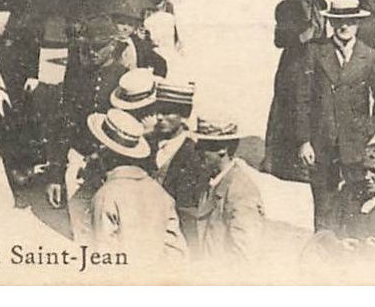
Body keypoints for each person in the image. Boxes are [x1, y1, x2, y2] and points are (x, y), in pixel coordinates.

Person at [297, 0, 375, 232]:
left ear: (358, 23)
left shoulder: (368, 57)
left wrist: (373, 134)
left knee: (356, 202)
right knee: (323, 204)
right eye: (338, 21)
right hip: (322, 142)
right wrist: (305, 141)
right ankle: (323, 249)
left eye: (349, 21)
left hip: (357, 145)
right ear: (330, 23)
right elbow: (303, 99)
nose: (344, 27)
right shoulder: (317, 52)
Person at [44, 17, 130, 240]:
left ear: (112, 45)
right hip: (78, 160)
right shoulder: (76, 77)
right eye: (87, 47)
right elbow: (63, 125)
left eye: (98, 47)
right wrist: (55, 174)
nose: (91, 53)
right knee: (80, 229)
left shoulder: (124, 79)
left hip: (110, 167)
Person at [86, 108, 188, 261]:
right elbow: (177, 253)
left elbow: (104, 256)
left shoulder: (106, 195)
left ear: (103, 150)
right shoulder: (160, 193)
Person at [263, 0, 321, 181]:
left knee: (310, 107)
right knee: (287, 109)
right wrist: (301, 36)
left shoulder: (320, 3)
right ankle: (281, 162)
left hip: (315, 62)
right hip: (293, 64)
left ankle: (306, 161)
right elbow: (279, 40)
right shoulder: (286, 6)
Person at [191, 116, 265, 264]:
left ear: (222, 149)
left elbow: (244, 254)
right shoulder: (212, 181)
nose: (197, 150)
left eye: (203, 145)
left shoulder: (241, 191)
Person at [144, 78, 207, 242]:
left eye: (167, 112)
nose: (159, 117)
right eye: (157, 111)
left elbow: (189, 212)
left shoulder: (194, 155)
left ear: (184, 114)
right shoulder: (145, 146)